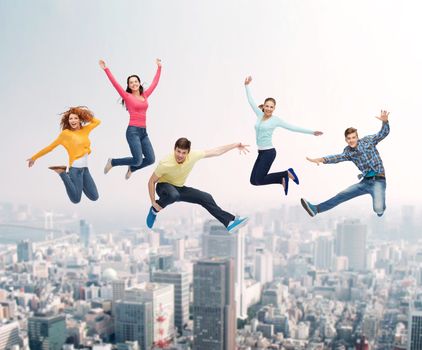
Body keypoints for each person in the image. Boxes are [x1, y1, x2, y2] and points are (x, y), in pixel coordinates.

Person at [146, 137, 249, 232]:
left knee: (206, 197)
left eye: (183, 152)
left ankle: (229, 222)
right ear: (174, 149)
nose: (180, 155)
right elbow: (151, 182)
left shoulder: (194, 155)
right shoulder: (165, 163)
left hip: (179, 188)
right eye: (178, 151)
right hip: (164, 186)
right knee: (174, 195)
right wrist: (154, 202)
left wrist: (235, 145)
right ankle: (154, 210)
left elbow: (216, 151)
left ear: (188, 153)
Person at [301, 110, 390, 217]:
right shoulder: (348, 152)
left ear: (357, 137)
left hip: (378, 180)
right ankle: (315, 209)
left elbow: (382, 134)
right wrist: (321, 159)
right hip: (365, 182)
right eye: (349, 138)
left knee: (378, 209)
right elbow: (337, 158)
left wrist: (385, 122)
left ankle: (380, 209)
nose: (351, 140)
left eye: (353, 137)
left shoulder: (368, 141)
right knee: (342, 195)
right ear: (346, 140)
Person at [244, 76, 323, 195]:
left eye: (271, 107)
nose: (269, 109)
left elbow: (293, 128)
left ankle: (285, 174)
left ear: (274, 108)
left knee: (259, 179)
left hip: (269, 153)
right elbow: (251, 101)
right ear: (264, 106)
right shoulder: (259, 115)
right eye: (267, 106)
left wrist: (312, 132)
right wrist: (246, 85)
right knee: (253, 181)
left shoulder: (276, 120)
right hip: (261, 152)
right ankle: (282, 178)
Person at [99, 58, 161, 179]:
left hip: (143, 132)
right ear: (128, 85)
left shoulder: (145, 95)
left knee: (151, 159)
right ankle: (113, 162)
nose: (133, 83)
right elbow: (115, 83)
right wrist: (106, 69)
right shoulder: (127, 96)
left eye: (135, 81)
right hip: (133, 132)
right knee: (137, 160)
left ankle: (132, 168)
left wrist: (159, 67)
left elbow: (155, 83)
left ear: (139, 82)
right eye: (131, 82)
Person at [27, 106, 100, 204]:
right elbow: (50, 147)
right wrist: (34, 157)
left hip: (85, 170)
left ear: (80, 120)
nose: (73, 120)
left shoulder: (85, 130)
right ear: (68, 120)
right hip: (75, 169)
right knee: (76, 200)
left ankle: (76, 184)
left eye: (75, 118)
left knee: (94, 197)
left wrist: (83, 113)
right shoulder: (65, 134)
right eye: (70, 118)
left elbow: (97, 122)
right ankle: (62, 173)